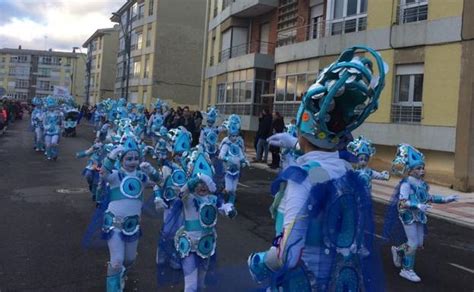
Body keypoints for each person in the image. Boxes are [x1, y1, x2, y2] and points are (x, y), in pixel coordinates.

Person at [248, 46, 387, 291]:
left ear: (304, 125)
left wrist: (257, 263)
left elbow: (286, 254)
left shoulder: (303, 177)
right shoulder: (346, 172)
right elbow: (322, 178)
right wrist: (297, 146)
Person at [383, 144, 459, 283]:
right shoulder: (406, 184)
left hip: (419, 214)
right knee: (413, 243)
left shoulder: (422, 184)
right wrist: (417, 205)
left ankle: (399, 250)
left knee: (418, 244)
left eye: (422, 168)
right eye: (418, 168)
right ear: (410, 170)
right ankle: (407, 270)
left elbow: (428, 198)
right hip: (408, 214)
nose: (422, 170)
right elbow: (402, 202)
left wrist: (446, 199)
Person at [100, 137, 161, 291]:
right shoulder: (115, 175)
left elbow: (160, 182)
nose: (133, 162)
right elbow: (103, 174)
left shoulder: (141, 177)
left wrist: (152, 171)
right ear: (122, 160)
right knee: (117, 260)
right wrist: (111, 156)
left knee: (129, 259)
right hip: (113, 223)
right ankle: (114, 286)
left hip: (132, 226)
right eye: (128, 159)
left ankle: (120, 273)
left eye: (136, 158)